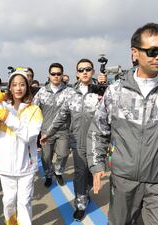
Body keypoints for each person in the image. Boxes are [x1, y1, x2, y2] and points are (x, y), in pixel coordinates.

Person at [87, 23, 158, 225]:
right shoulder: (116, 92)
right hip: (123, 181)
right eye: (152, 51)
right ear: (135, 53)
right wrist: (97, 165)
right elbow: (98, 130)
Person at [41, 58, 107, 221]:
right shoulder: (70, 93)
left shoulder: (101, 91)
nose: (85, 72)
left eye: (88, 69)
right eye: (81, 70)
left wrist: (105, 87)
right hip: (77, 141)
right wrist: (48, 133)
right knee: (79, 173)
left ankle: (85, 190)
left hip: (97, 142)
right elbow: (61, 116)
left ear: (92, 71)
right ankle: (81, 203)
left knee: (93, 173)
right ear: (77, 74)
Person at [0, 69, 43, 225]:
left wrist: (9, 118)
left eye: (22, 84)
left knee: (24, 202)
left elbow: (29, 136)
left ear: (27, 87)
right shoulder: (2, 106)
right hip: (5, 166)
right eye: (14, 85)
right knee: (8, 201)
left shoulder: (34, 110)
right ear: (9, 87)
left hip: (26, 166)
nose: (18, 88)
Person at [33, 62, 72, 187]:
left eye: (58, 74)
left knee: (64, 154)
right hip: (46, 131)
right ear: (49, 75)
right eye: (53, 74)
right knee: (46, 157)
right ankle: (49, 175)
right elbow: (33, 110)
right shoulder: (42, 92)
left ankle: (58, 171)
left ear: (62, 75)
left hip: (63, 131)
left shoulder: (69, 92)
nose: (56, 76)